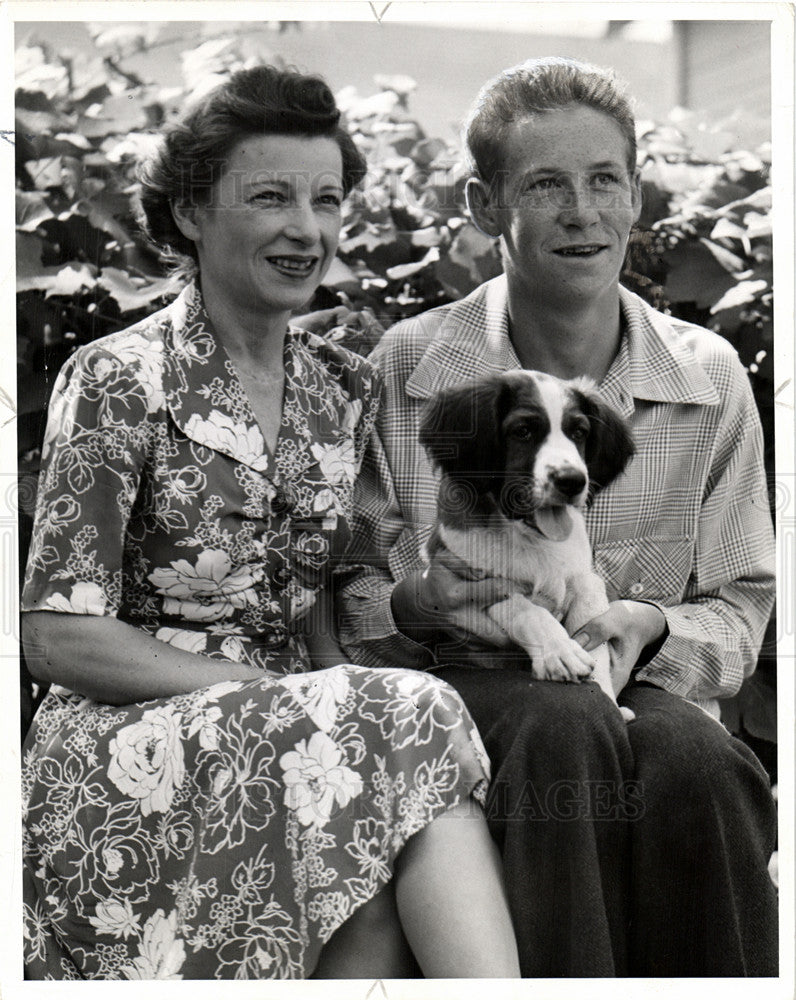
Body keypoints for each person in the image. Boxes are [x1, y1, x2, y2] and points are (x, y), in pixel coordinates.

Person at [19, 65, 521, 981]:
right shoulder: (115, 376)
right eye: (271, 197)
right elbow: (54, 638)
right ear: (188, 215)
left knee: (395, 757)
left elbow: (338, 614)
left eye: (327, 200)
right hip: (122, 752)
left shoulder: (346, 385)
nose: (308, 228)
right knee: (396, 727)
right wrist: (262, 691)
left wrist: (432, 606)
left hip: (303, 734)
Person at [338, 56, 778, 977]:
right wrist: (418, 605)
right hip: (469, 684)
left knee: (700, 762)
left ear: (636, 197)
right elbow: (355, 588)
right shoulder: (410, 368)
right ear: (484, 206)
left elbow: (742, 606)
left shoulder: (708, 378)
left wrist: (649, 626)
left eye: (603, 180)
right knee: (560, 724)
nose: (581, 211)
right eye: (545, 185)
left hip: (641, 686)